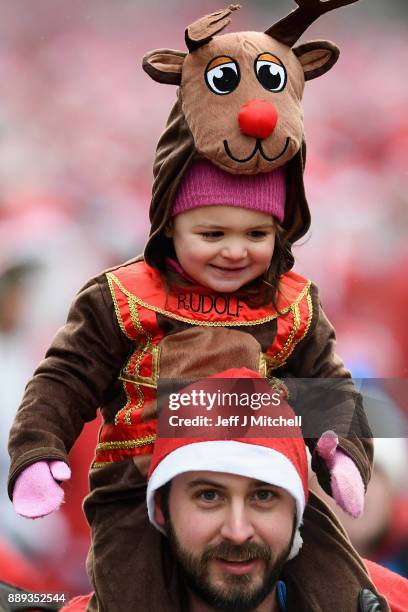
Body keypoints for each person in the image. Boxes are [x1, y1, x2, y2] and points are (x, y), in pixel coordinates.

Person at [8, 3, 373, 611]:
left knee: (342, 584)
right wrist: (38, 449)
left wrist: (345, 451)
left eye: (257, 236)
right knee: (134, 595)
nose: (235, 252)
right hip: (136, 476)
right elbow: (64, 378)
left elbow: (328, 383)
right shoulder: (122, 297)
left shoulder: (294, 302)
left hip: (265, 468)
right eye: (212, 234)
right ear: (169, 227)